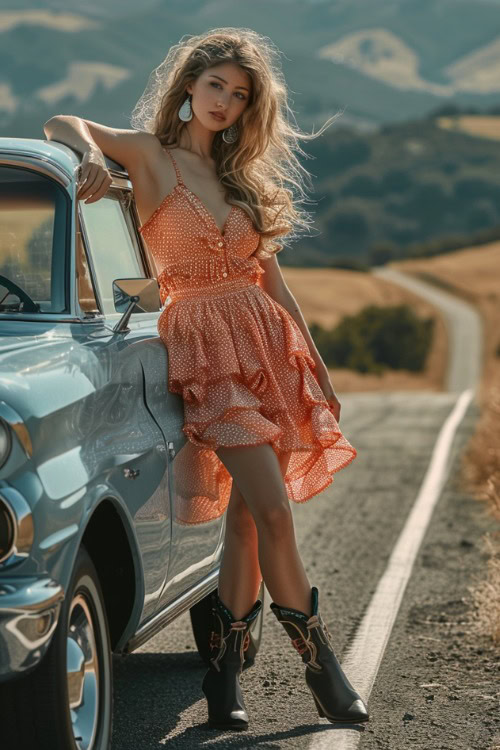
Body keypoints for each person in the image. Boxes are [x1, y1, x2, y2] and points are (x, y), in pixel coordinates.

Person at [44, 26, 369, 731]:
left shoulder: (238, 180)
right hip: (206, 352)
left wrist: (312, 363)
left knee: (251, 525)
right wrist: (93, 157)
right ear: (187, 85)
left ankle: (224, 682)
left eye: (240, 93)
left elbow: (272, 281)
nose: (225, 101)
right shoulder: (150, 157)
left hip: (268, 348)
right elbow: (59, 123)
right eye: (215, 84)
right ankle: (322, 670)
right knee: (274, 510)